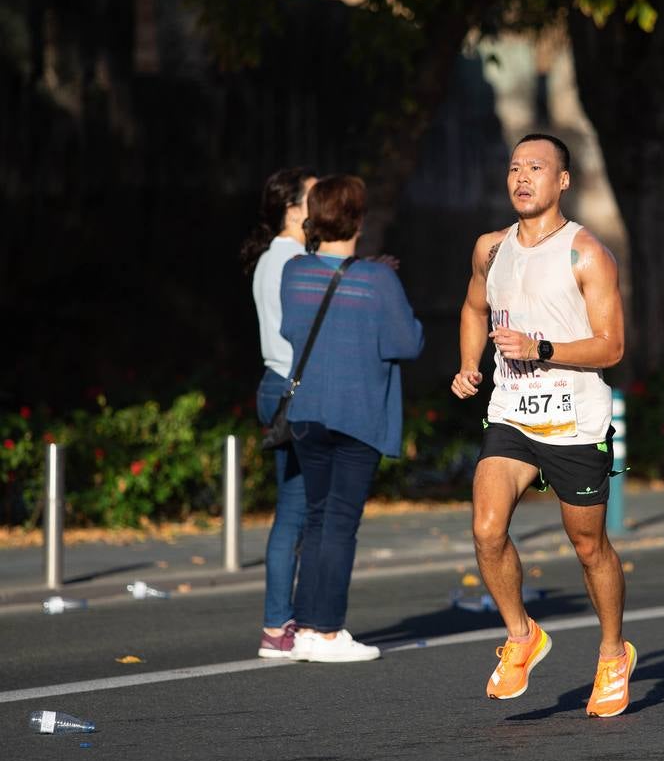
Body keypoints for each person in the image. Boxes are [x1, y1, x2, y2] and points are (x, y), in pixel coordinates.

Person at [450, 133, 634, 717]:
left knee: (588, 547)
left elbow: (611, 349)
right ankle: (522, 634)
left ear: (563, 182)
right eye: (514, 167)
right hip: (512, 415)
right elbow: (474, 308)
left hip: (575, 420)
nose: (522, 176)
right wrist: (468, 365)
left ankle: (611, 652)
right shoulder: (489, 248)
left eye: (537, 167)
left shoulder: (588, 254)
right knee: (485, 527)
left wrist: (542, 346)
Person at [280, 174, 424, 663]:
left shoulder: (294, 271)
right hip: (357, 413)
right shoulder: (378, 278)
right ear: (358, 220)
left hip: (306, 413)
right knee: (341, 522)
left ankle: (304, 629)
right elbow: (407, 343)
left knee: (316, 518)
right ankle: (327, 631)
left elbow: (290, 327)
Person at [240, 166, 318, 659]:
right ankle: (306, 625)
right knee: (311, 514)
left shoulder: (273, 258)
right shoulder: (295, 262)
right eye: (315, 197)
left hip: (274, 385)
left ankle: (277, 626)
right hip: (300, 389)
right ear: (293, 210)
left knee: (290, 513)